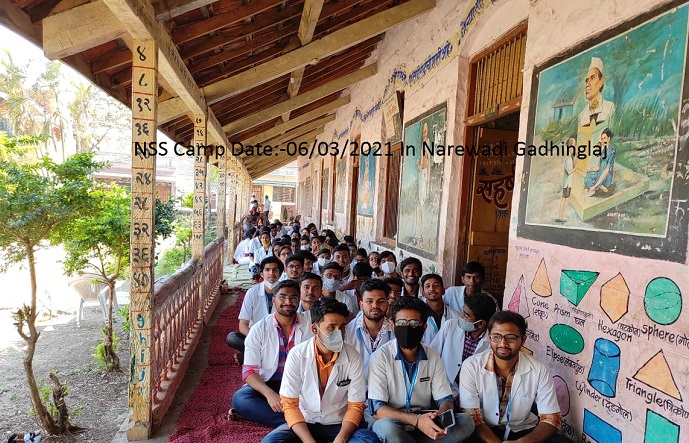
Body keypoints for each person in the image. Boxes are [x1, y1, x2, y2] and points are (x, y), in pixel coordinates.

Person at [262, 298, 380, 443]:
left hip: (338, 424)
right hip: (305, 422)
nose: (338, 332)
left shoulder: (353, 356)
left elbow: (356, 405)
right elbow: (289, 404)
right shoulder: (297, 355)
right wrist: (308, 441)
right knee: (271, 441)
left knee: (369, 440)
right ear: (315, 329)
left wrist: (341, 438)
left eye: (342, 327)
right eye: (331, 327)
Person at [367, 297, 475, 443]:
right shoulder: (380, 357)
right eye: (401, 323)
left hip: (426, 418)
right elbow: (378, 409)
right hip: (394, 420)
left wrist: (439, 415)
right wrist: (416, 420)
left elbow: (445, 399)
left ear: (424, 327)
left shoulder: (432, 355)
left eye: (414, 323)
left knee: (466, 422)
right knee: (387, 428)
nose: (407, 328)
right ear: (393, 326)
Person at [459, 311, 566, 443]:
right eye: (496, 337)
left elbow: (552, 419)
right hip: (484, 430)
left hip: (521, 430)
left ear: (523, 339)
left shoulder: (539, 369)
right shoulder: (471, 366)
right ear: (489, 337)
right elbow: (472, 417)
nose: (503, 344)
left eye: (511, 338)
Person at [231, 280, 311, 428]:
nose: (288, 302)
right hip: (270, 383)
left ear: (299, 300)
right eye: (282, 297)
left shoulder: (311, 325)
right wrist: (269, 394)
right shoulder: (259, 329)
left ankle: (265, 416)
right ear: (273, 300)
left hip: (301, 384)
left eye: (293, 298)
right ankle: (300, 422)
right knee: (240, 399)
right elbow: (249, 372)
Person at [429, 293, 495, 398]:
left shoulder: (492, 342)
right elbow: (432, 355)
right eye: (462, 312)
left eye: (466, 316)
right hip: (443, 386)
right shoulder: (450, 326)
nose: (461, 317)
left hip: (473, 393)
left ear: (481, 323)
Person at [227, 257, 284, 355]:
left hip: (279, 337)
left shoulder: (286, 292)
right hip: (256, 337)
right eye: (267, 270)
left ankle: (252, 354)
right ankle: (263, 353)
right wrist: (257, 339)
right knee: (232, 338)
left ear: (280, 273)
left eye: (275, 270)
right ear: (261, 273)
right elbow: (243, 324)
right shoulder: (252, 293)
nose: (271, 273)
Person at [345, 279, 394, 380]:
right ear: (361, 304)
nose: (375, 305)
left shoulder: (395, 331)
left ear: (387, 303)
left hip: (386, 387)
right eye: (369, 301)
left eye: (381, 301)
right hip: (356, 387)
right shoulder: (347, 331)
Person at [577, 57, 615, 130]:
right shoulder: (581, 116)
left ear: (601, 81)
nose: (588, 84)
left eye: (593, 78)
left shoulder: (609, 107)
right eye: (587, 80)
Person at [420, 273, 459, 345]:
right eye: (428, 286)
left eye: (436, 285)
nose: (432, 289)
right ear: (423, 293)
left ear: (443, 291)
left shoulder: (456, 316)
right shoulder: (418, 315)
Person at [585, 128, 616, 196]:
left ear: (608, 138)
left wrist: (595, 186)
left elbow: (606, 170)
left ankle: (595, 187)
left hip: (606, 176)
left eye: (604, 138)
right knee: (587, 176)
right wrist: (591, 169)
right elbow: (599, 167)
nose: (603, 140)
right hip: (600, 173)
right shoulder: (603, 151)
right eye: (602, 139)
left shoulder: (612, 150)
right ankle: (599, 186)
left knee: (604, 164)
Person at [556, 137, 577, 223]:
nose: (574, 148)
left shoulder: (570, 159)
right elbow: (569, 172)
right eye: (573, 146)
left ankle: (562, 215)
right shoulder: (568, 159)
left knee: (565, 199)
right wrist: (575, 168)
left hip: (568, 183)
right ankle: (561, 216)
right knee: (565, 199)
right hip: (567, 183)